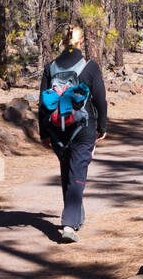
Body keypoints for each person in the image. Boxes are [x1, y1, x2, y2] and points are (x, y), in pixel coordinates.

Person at [38, 25, 108, 243]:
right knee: (77, 173)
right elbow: (100, 100)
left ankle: (76, 215)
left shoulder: (50, 67)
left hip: (57, 128)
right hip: (83, 128)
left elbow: (42, 102)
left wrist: (43, 133)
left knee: (68, 172)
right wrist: (102, 127)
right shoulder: (90, 67)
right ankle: (69, 225)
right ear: (82, 41)